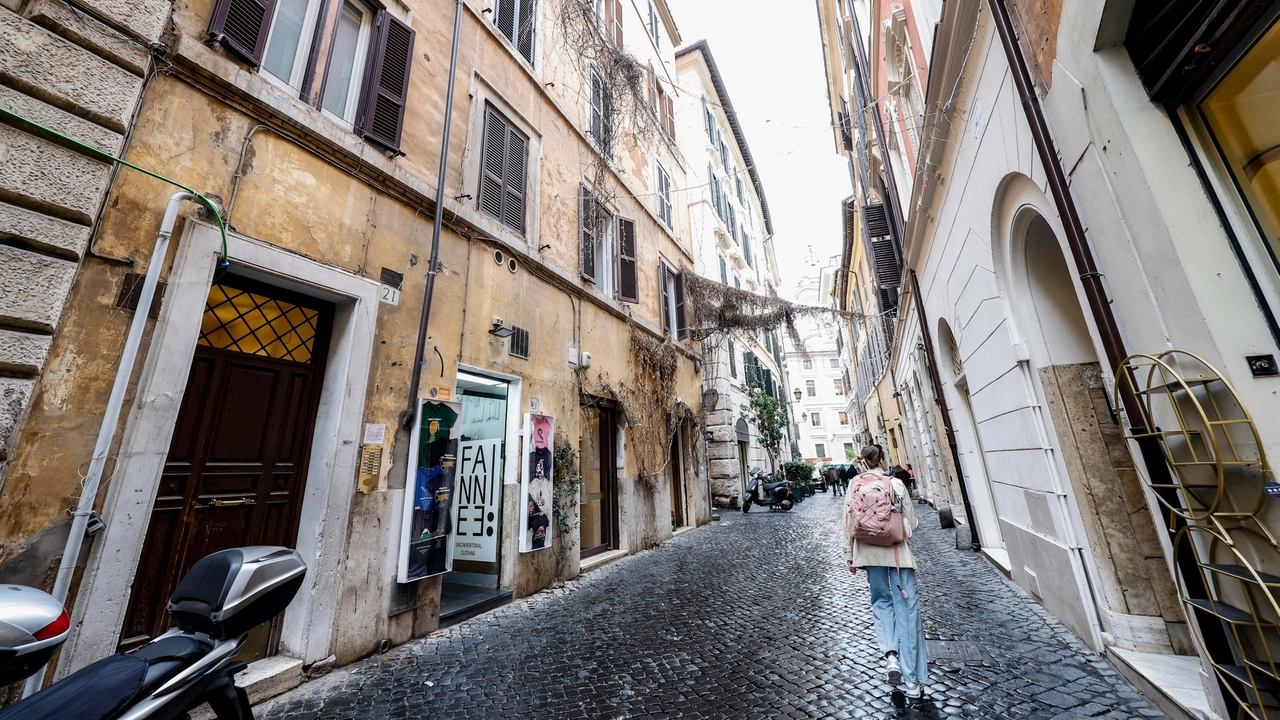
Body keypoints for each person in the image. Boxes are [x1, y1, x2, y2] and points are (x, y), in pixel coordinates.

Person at [843, 445, 928, 701]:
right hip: (897, 553)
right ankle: (912, 680)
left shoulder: (854, 485)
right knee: (907, 608)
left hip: (868, 552)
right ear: (881, 460)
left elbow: (848, 523)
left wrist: (850, 556)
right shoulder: (895, 484)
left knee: (881, 601)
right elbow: (912, 524)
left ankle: (891, 656)